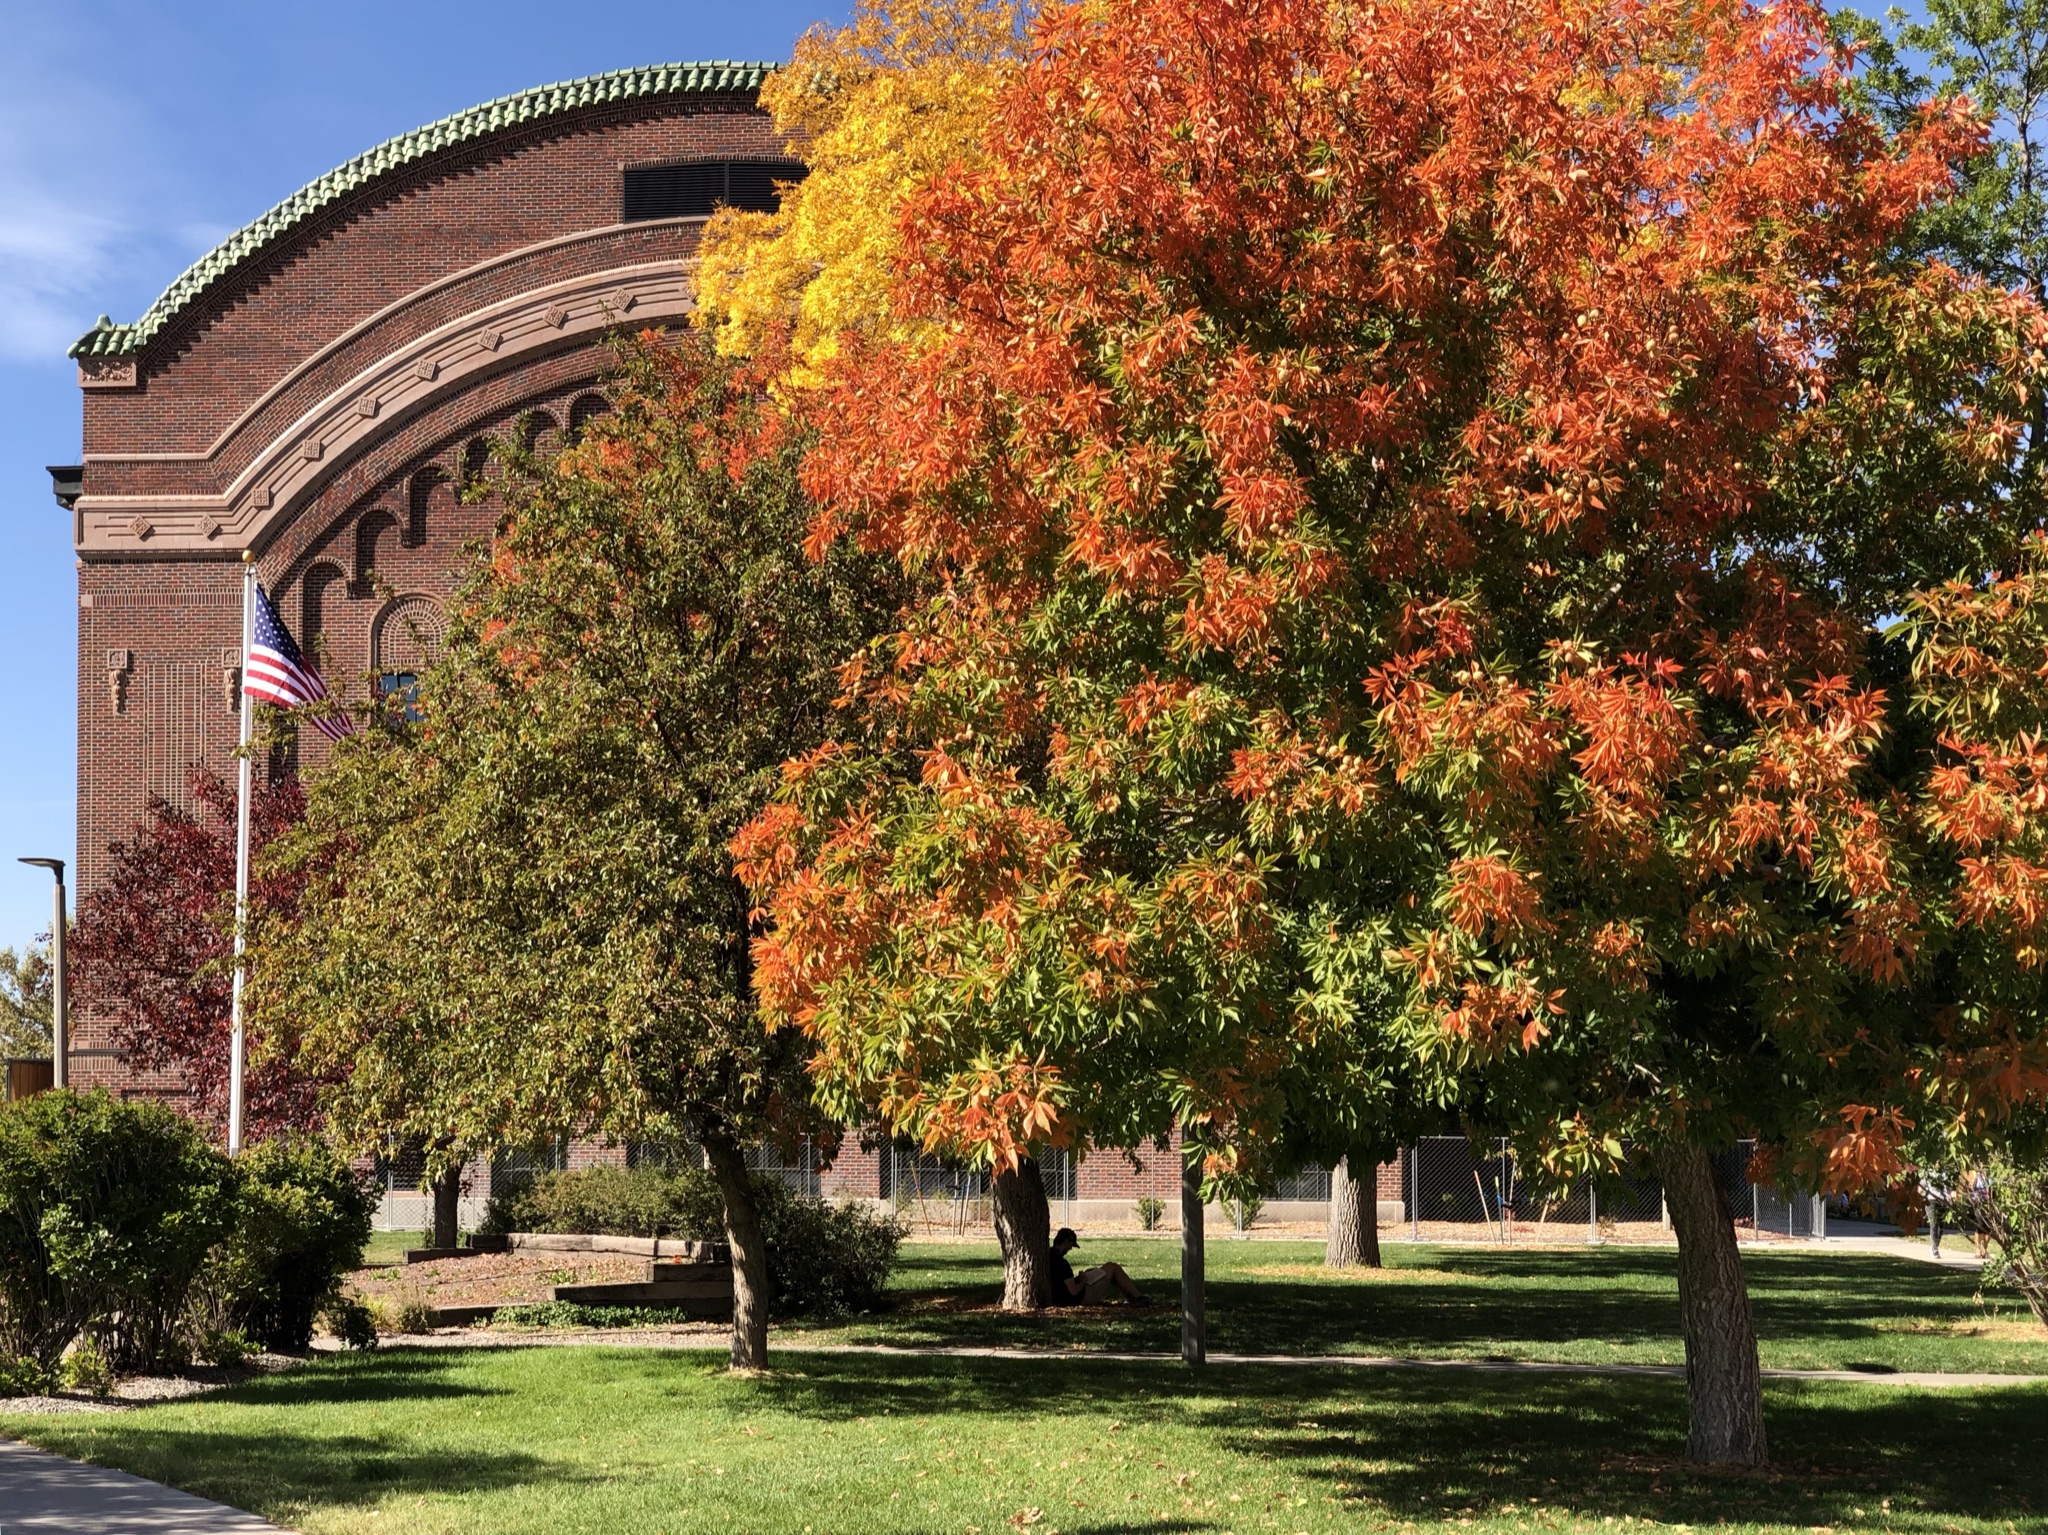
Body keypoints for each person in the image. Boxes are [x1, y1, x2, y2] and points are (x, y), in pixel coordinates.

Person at [1048, 1227, 1153, 1306]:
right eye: (1071, 1245)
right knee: (1112, 1267)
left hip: (1061, 1298)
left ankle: (1131, 1296)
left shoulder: (1048, 1255)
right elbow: (1074, 1291)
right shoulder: (1062, 1263)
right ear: (1066, 1241)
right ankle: (1137, 1297)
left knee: (1098, 1269)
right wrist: (1083, 1280)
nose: (1070, 1249)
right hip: (1079, 1299)